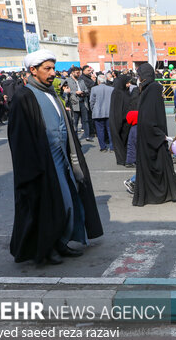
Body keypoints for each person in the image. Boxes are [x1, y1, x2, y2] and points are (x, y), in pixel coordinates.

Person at [7, 49, 103, 264]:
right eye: (47, 69)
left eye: (53, 68)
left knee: (68, 201)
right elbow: (19, 138)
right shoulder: (24, 97)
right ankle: (46, 249)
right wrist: (34, 167)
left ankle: (60, 241)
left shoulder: (51, 93)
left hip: (62, 158)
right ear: (33, 70)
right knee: (48, 205)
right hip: (42, 163)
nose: (52, 73)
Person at [132, 63, 176, 206]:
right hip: (153, 135)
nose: (163, 95)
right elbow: (148, 118)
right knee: (159, 164)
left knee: (163, 164)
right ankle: (166, 192)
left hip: (150, 136)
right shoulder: (153, 89)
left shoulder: (147, 89)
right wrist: (160, 135)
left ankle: (174, 190)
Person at [109, 75, 133, 166]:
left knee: (126, 140)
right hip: (118, 120)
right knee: (119, 140)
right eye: (127, 83)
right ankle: (122, 159)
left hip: (126, 121)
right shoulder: (117, 93)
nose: (129, 84)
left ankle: (127, 158)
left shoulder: (126, 92)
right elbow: (117, 109)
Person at [66, 66, 93, 142]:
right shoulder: (68, 81)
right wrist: (75, 92)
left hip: (83, 102)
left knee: (85, 120)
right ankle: (75, 138)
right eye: (77, 73)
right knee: (75, 121)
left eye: (79, 72)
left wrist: (83, 92)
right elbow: (66, 91)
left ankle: (87, 136)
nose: (78, 74)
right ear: (72, 73)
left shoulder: (81, 80)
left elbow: (86, 89)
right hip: (74, 103)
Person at [90, 74, 115, 152]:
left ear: (98, 81)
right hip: (109, 112)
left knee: (100, 130)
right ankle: (112, 147)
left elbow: (92, 101)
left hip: (98, 112)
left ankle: (103, 147)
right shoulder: (111, 89)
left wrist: (93, 109)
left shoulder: (94, 89)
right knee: (110, 130)